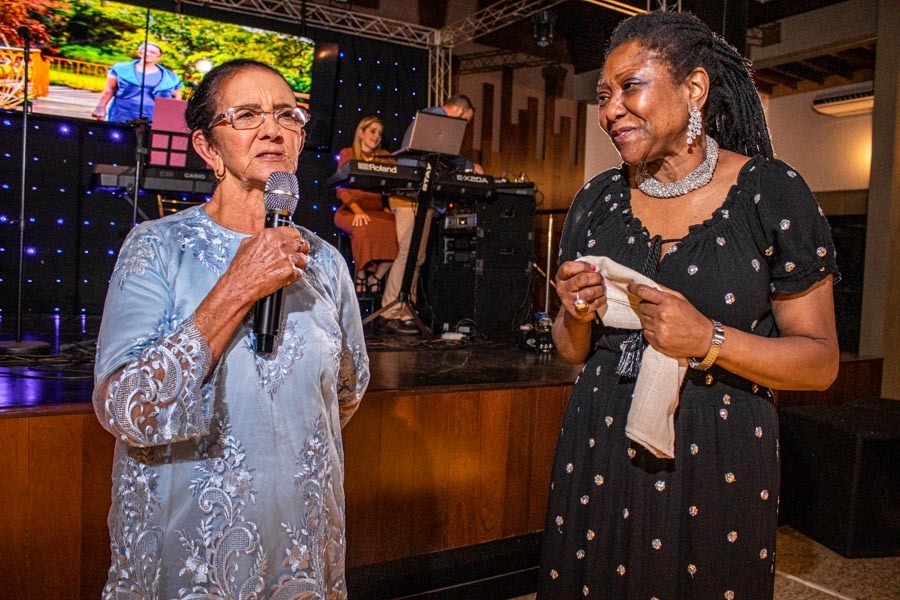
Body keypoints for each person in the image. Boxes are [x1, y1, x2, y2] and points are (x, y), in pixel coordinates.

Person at [538, 11, 839, 600]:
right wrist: (574, 313)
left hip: (718, 450)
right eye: (603, 96)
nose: (611, 110)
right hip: (599, 438)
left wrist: (707, 340)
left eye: (630, 86)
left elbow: (820, 362)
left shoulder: (769, 192)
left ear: (694, 87)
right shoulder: (597, 201)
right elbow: (573, 351)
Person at [92, 59, 368, 597]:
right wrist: (237, 287)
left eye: (287, 115)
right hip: (192, 547)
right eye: (246, 115)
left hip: (298, 544)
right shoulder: (157, 247)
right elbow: (126, 409)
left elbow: (346, 392)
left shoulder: (326, 262)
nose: (273, 129)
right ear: (207, 148)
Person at [376, 95, 481, 336]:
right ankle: (390, 312)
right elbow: (446, 153)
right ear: (458, 110)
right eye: (465, 119)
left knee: (417, 256)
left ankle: (405, 309)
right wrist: (468, 166)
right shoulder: (436, 119)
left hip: (423, 199)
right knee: (408, 252)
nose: (463, 126)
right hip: (409, 196)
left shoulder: (433, 120)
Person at [333, 116, 399, 296]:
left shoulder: (384, 156)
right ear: (361, 133)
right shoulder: (348, 153)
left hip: (377, 210)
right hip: (350, 209)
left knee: (400, 235)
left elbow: (399, 177)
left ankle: (376, 277)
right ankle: (360, 273)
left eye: (379, 133)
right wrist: (357, 210)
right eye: (372, 131)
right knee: (363, 229)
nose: (376, 136)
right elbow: (341, 189)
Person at [92, 42, 182, 123]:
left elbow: (176, 99)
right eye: (145, 51)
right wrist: (100, 107)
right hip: (122, 116)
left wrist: (177, 119)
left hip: (156, 120)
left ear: (160, 57)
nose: (148, 54)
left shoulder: (171, 76)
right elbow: (109, 89)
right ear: (139, 53)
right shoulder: (121, 69)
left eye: (153, 52)